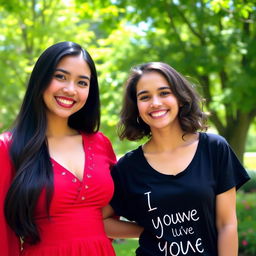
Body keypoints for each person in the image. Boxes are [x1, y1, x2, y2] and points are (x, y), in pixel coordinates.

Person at [106, 62, 250, 255]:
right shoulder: (128, 167)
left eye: (164, 93)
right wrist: (145, 231)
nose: (155, 102)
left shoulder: (214, 149)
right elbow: (100, 221)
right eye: (145, 97)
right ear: (137, 107)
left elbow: (227, 225)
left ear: (180, 98)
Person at [0, 41, 117, 255]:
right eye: (60, 76)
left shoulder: (101, 143)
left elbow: (109, 218)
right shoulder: (7, 147)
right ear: (40, 79)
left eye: (82, 83)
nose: (70, 89)